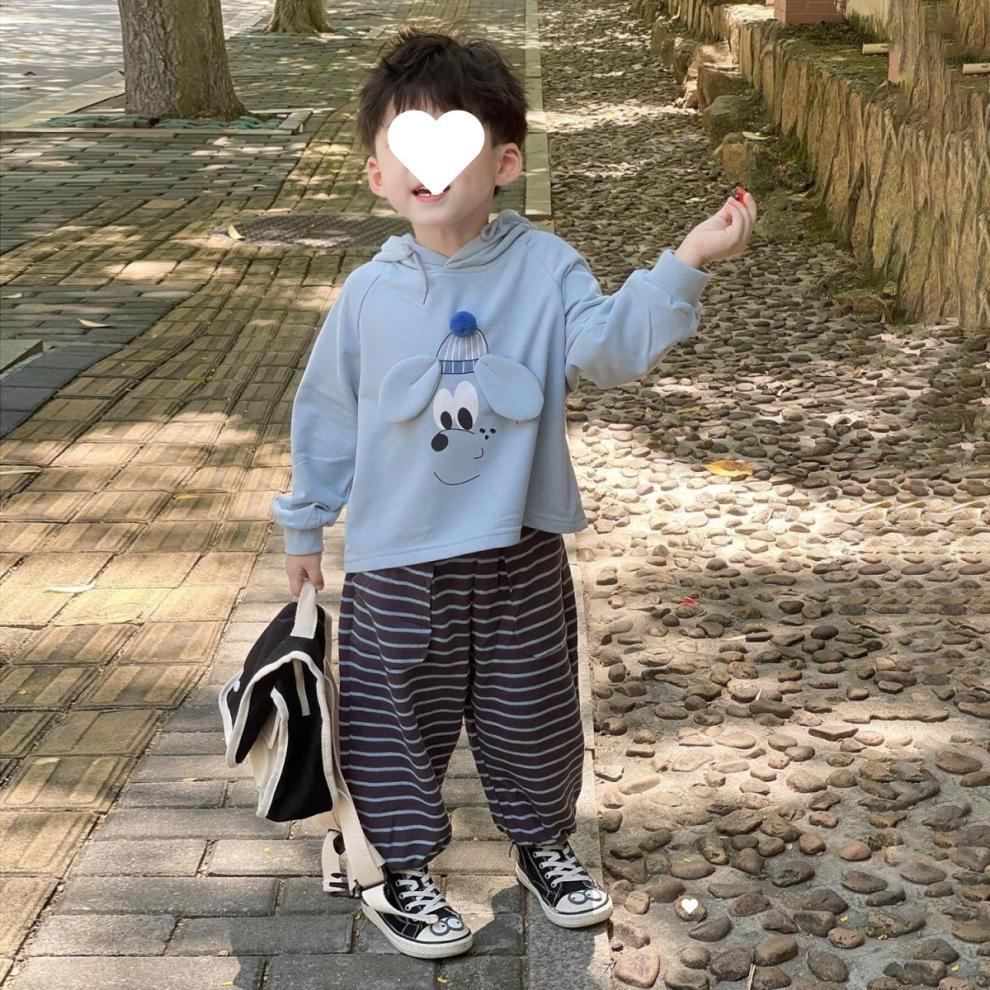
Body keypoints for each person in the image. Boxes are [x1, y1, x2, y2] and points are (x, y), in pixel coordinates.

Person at [272, 23, 757, 960]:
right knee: (390, 721)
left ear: (502, 164)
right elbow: (326, 413)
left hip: (518, 546)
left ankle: (542, 843)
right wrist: (304, 523)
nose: (428, 167)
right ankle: (397, 866)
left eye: (451, 141)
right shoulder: (367, 294)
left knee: (531, 710)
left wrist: (686, 262)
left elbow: (605, 350)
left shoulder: (546, 267)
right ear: (377, 175)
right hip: (397, 561)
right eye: (405, 147)